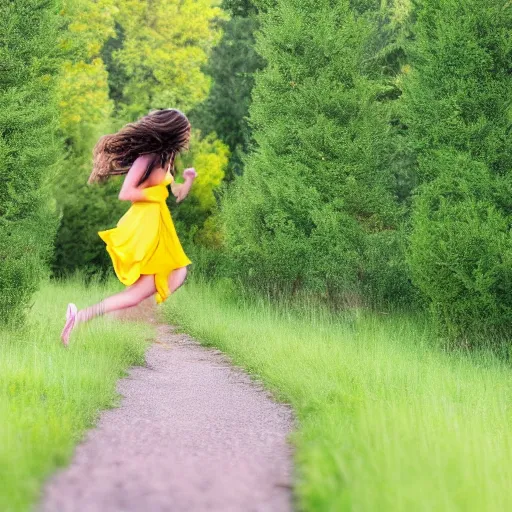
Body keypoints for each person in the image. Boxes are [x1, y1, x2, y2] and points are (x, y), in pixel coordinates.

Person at [60, 108, 197, 345]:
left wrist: (189, 180)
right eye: (185, 131)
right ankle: (90, 317)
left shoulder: (168, 158)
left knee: (175, 272)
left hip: (159, 225)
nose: (188, 135)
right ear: (173, 131)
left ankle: (110, 317)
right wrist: (155, 197)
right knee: (153, 284)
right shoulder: (148, 158)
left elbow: (175, 192)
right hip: (143, 224)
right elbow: (127, 193)